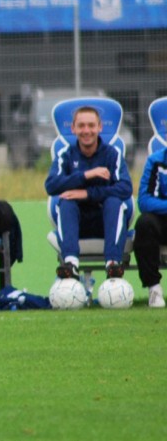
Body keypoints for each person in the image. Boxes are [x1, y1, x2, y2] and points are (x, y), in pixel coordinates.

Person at [44, 105, 133, 282]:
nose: (86, 131)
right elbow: (51, 185)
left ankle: (113, 265)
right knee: (66, 203)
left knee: (114, 202)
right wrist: (86, 175)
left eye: (91, 125)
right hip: (76, 225)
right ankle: (70, 265)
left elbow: (125, 188)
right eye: (81, 125)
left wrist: (87, 194)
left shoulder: (112, 155)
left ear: (99, 127)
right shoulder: (65, 155)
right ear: (73, 128)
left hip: (106, 222)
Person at [132, 148, 167, 307]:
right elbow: (144, 201)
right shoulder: (156, 160)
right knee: (144, 224)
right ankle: (154, 288)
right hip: (162, 220)